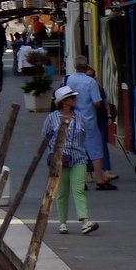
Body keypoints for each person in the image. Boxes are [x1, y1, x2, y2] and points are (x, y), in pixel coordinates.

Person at [43, 86, 98, 234]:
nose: (75, 100)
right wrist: (53, 154)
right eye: (72, 98)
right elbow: (46, 136)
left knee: (79, 189)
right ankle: (62, 222)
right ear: (64, 102)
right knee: (62, 192)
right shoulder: (52, 118)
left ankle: (85, 221)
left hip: (79, 158)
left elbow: (84, 134)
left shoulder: (79, 117)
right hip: (60, 159)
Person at [65, 56, 115, 189]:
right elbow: (97, 102)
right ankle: (100, 179)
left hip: (74, 119)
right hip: (89, 120)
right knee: (96, 150)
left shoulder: (70, 79)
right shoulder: (90, 82)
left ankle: (79, 180)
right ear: (86, 66)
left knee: (77, 149)